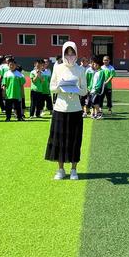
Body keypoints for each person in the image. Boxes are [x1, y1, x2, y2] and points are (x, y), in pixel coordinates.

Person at [45, 41, 87, 180]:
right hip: (60, 109)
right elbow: (52, 87)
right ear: (63, 53)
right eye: (67, 52)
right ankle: (60, 169)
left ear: (76, 53)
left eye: (72, 52)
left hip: (75, 109)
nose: (70, 55)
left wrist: (75, 89)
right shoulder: (57, 68)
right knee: (59, 140)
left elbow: (84, 91)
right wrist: (61, 87)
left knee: (74, 140)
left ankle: (74, 170)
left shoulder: (81, 70)